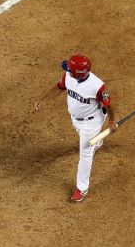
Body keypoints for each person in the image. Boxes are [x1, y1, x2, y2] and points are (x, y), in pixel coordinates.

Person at [34, 54, 117, 203]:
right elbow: (59, 87)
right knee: (84, 137)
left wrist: (111, 121)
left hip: (91, 123)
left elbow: (108, 104)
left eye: (70, 69)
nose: (67, 70)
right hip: (76, 120)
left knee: (85, 152)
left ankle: (82, 188)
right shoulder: (68, 76)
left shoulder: (97, 86)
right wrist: (43, 99)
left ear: (79, 72)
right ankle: (96, 142)